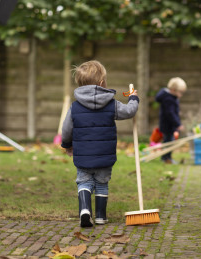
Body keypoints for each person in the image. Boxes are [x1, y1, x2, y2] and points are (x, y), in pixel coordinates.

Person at [61, 60, 139, 227]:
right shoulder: (112, 104)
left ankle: (84, 210)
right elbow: (129, 111)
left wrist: (67, 145)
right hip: (105, 156)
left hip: (83, 155)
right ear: (102, 83)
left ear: (80, 84)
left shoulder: (75, 107)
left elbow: (66, 129)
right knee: (102, 184)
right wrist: (133, 98)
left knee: (83, 181)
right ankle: (101, 217)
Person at [155, 77, 187, 164]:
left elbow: (172, 111)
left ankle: (166, 157)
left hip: (168, 124)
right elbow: (170, 113)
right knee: (169, 143)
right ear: (173, 90)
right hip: (168, 125)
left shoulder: (171, 97)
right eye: (180, 92)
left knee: (168, 141)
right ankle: (166, 158)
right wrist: (178, 124)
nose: (181, 95)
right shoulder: (168, 99)